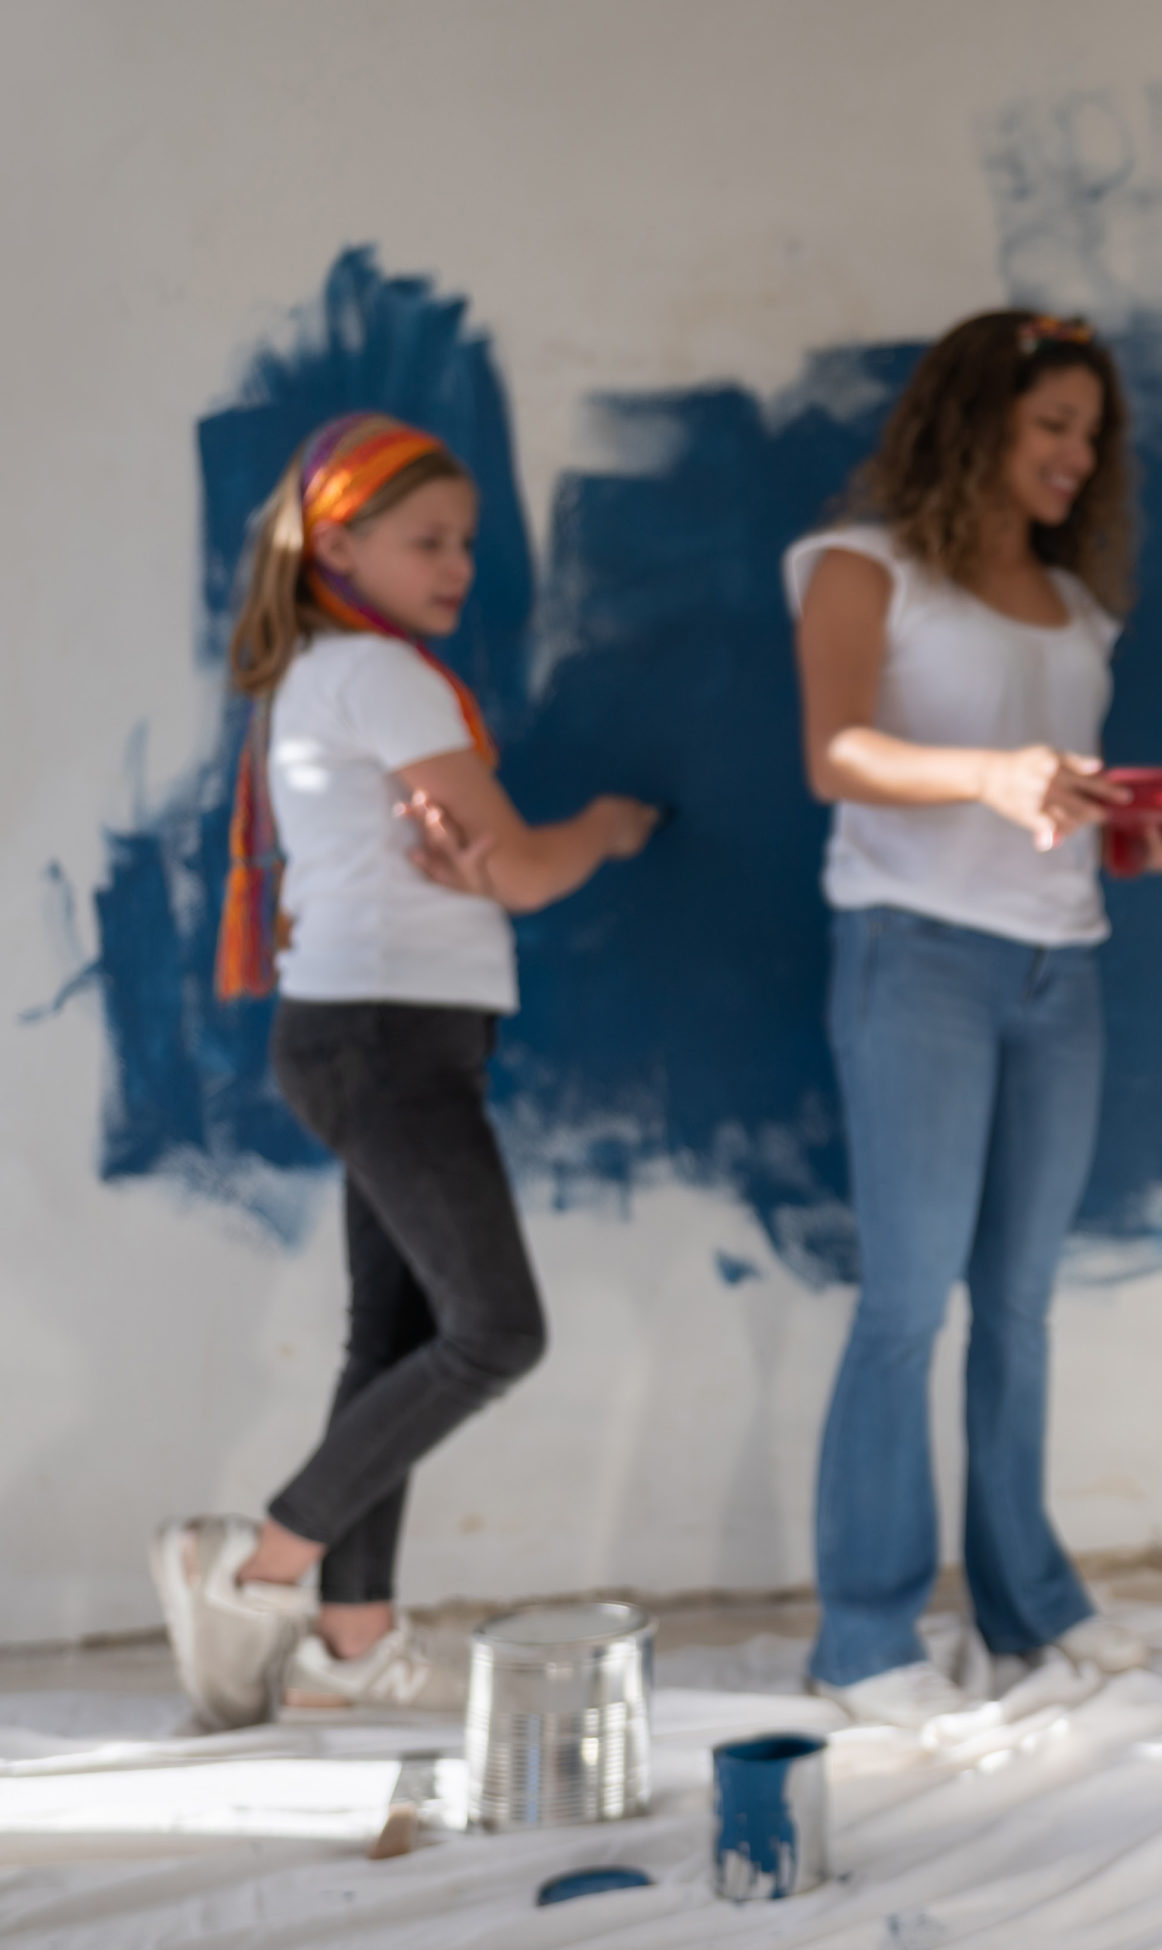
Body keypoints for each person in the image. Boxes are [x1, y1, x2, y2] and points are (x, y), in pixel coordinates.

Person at [149, 413, 659, 1729]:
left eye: (468, 542)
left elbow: (485, 864)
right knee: (497, 1329)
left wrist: (497, 861)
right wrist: (597, 830)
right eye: (427, 539)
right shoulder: (385, 679)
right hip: (388, 1036)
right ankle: (255, 1565)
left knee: (394, 1340)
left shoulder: (326, 674)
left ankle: (353, 1645)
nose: (458, 564)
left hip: (384, 1031)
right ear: (340, 542)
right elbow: (532, 870)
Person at [787, 311, 1162, 1728]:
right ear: (971, 419)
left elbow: (1061, 813)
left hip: (1063, 972)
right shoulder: (860, 566)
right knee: (908, 1302)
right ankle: (861, 1633)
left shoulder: (1081, 609)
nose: (1075, 455)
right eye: (1051, 425)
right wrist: (991, 773)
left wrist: (1143, 841)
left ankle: (1025, 1594)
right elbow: (836, 754)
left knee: (1022, 1309)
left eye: (1090, 433)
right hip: (914, 960)